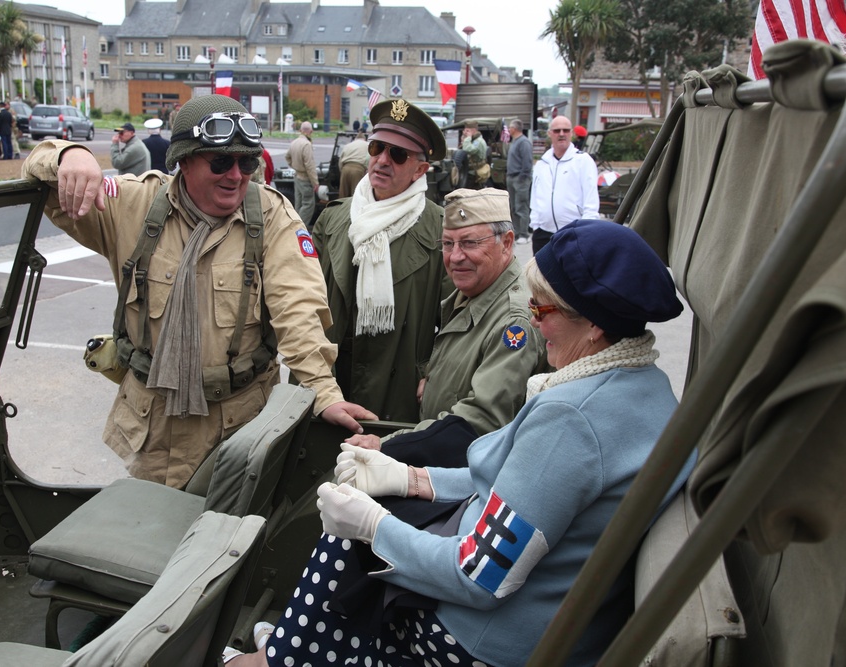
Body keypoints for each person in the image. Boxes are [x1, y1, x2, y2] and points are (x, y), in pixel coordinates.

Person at [225, 219, 693, 667]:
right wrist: (415, 479)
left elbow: (480, 578)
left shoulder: (571, 419)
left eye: (542, 311)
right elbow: (520, 485)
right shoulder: (643, 385)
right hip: (552, 619)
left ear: (593, 324)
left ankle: (278, 658)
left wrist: (373, 528)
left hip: (486, 642)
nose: (532, 324)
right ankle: (288, 649)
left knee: (344, 548)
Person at [21, 94, 376, 489]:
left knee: (225, 543)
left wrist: (323, 392)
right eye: (221, 162)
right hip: (155, 425)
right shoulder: (135, 205)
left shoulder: (272, 215)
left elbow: (299, 311)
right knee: (152, 534)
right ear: (184, 161)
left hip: (238, 423)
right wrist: (68, 154)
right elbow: (46, 186)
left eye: (247, 163)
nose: (236, 175)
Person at [344, 187, 548, 451]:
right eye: (448, 244)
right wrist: (434, 376)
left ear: (507, 243)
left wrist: (386, 445)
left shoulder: (513, 321)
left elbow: (480, 422)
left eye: (470, 243)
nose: (455, 257)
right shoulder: (474, 292)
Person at [311, 98, 451, 423]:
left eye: (398, 154)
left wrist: (435, 371)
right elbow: (304, 302)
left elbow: (456, 318)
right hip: (329, 376)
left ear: (420, 169)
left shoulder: (440, 230)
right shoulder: (332, 219)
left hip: (396, 385)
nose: (383, 161)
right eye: (377, 148)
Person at [529, 116, 599, 255]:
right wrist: (535, 224)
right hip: (543, 234)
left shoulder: (583, 161)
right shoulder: (541, 164)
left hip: (574, 234)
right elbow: (535, 196)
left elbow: (591, 200)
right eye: (557, 130)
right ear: (550, 134)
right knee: (540, 276)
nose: (561, 134)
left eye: (565, 130)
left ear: (571, 133)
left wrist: (585, 231)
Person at [505, 118, 533, 245]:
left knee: (521, 206)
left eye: (510, 127)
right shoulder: (514, 142)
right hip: (512, 177)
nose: (508, 129)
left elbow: (527, 162)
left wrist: (523, 177)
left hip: (520, 179)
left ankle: (524, 233)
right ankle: (516, 233)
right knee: (514, 207)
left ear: (515, 129)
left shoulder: (524, 142)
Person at [285, 120, 318, 225]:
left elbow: (287, 157)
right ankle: (300, 228)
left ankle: (293, 226)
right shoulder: (306, 144)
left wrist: (294, 166)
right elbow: (310, 165)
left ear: (300, 130)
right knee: (308, 204)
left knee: (298, 204)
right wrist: (315, 182)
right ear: (310, 131)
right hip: (305, 178)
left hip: (297, 176)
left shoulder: (294, 143)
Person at [452, 119, 488, 189]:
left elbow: (468, 150)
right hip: (470, 172)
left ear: (473, 130)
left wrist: (468, 138)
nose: (465, 132)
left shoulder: (478, 141)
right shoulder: (473, 140)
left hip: (474, 173)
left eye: (467, 130)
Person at [337, 131, 368, 198]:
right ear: (364, 139)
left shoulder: (347, 145)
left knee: (343, 195)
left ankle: (342, 208)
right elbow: (369, 160)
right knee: (355, 195)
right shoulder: (367, 145)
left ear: (355, 139)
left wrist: (342, 171)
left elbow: (340, 161)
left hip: (345, 169)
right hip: (358, 170)